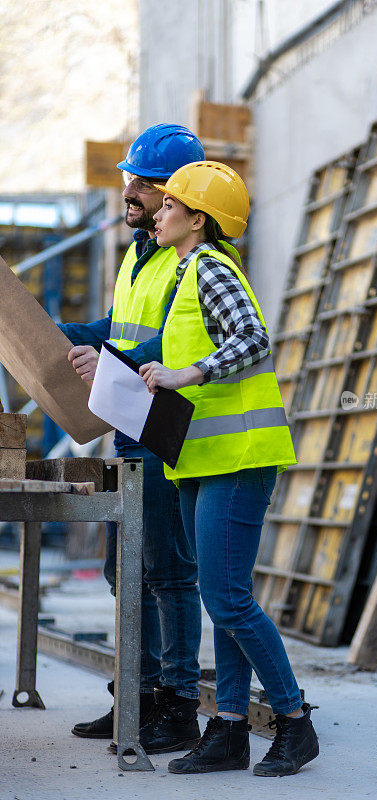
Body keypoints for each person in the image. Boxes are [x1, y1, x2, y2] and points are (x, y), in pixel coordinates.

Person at [139, 161, 319, 777]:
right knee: (225, 599)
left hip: (237, 463)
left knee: (229, 599)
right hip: (205, 460)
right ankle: (231, 729)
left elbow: (253, 337)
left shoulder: (211, 267)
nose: (158, 212)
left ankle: (294, 723)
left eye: (170, 206)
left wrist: (184, 374)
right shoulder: (186, 273)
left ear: (198, 219)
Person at [59, 125, 212, 755]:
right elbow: (122, 328)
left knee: (169, 573)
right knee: (125, 574)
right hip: (129, 429)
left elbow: (174, 344)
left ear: (174, 194)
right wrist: (58, 334)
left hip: (165, 431)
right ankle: (138, 696)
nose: (129, 191)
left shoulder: (188, 258)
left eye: (142, 185)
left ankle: (176, 706)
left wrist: (113, 353)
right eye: (129, 179)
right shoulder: (140, 252)